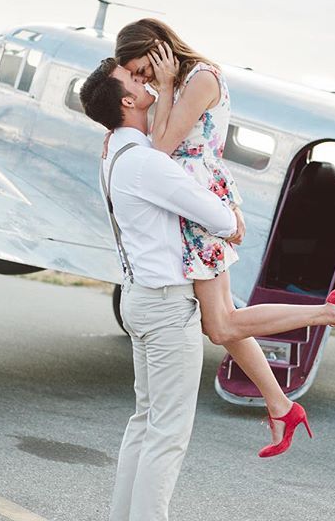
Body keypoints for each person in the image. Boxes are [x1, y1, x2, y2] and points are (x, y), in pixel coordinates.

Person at [114, 19, 335, 458]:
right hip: (187, 202)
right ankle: (281, 404)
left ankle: (332, 311)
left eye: (143, 68)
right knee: (223, 320)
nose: (142, 80)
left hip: (200, 205)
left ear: (159, 49)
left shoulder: (201, 78)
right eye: (137, 76)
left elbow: (160, 147)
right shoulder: (175, 83)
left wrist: (160, 85)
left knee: (220, 324)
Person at [79, 58, 241, 521]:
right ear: (128, 101)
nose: (144, 79)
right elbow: (223, 219)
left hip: (138, 298)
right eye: (134, 79)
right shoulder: (148, 164)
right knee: (168, 434)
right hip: (167, 306)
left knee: (144, 422)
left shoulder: (114, 153)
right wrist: (232, 218)